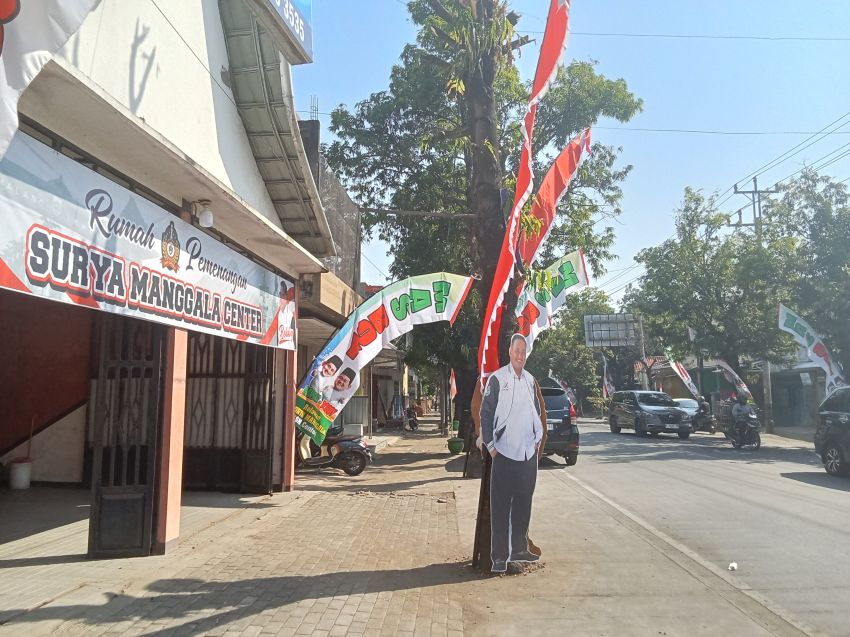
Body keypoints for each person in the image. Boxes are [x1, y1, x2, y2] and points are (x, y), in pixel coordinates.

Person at [479, 334, 544, 573]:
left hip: (528, 454)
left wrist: (537, 439)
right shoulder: (497, 379)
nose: (520, 355)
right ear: (509, 351)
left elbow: (535, 409)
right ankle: (498, 556)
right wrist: (491, 446)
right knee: (501, 506)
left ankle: (519, 548)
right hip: (504, 453)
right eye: (516, 351)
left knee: (523, 504)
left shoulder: (529, 379)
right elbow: (486, 414)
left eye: (523, 352)